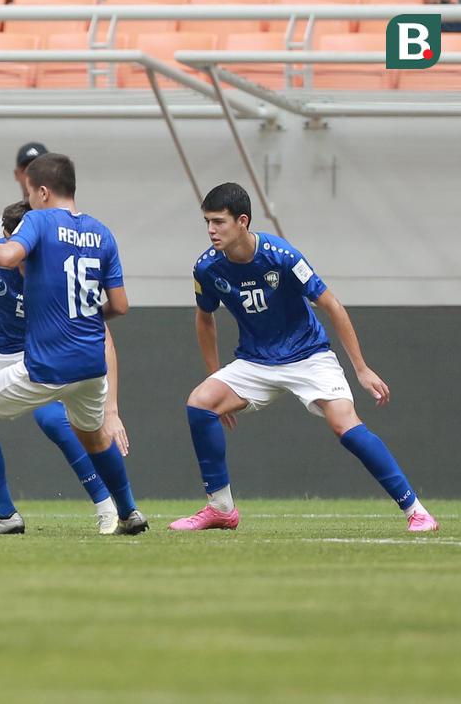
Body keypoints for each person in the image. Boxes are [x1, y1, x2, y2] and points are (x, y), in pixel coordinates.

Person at [172, 182, 439, 532]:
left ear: (242, 221)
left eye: (219, 221)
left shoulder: (282, 256)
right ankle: (221, 509)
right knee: (200, 402)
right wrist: (214, 375)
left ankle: (417, 512)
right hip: (255, 361)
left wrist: (361, 368)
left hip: (308, 355)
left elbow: (331, 304)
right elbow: (204, 317)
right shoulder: (207, 268)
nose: (211, 230)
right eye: (207, 221)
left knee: (345, 425)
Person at [0, 153, 149, 536]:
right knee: (95, 438)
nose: (30, 200)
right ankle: (129, 512)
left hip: (49, 361)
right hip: (90, 365)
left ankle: (6, 515)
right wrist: (82, 317)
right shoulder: (102, 233)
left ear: (44, 192)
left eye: (31, 192)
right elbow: (120, 306)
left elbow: (7, 255)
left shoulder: (38, 221)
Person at [0, 142, 48, 241]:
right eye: (27, 170)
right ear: (16, 174)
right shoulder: (3, 225)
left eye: (40, 169)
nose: (33, 175)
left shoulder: (66, 221)